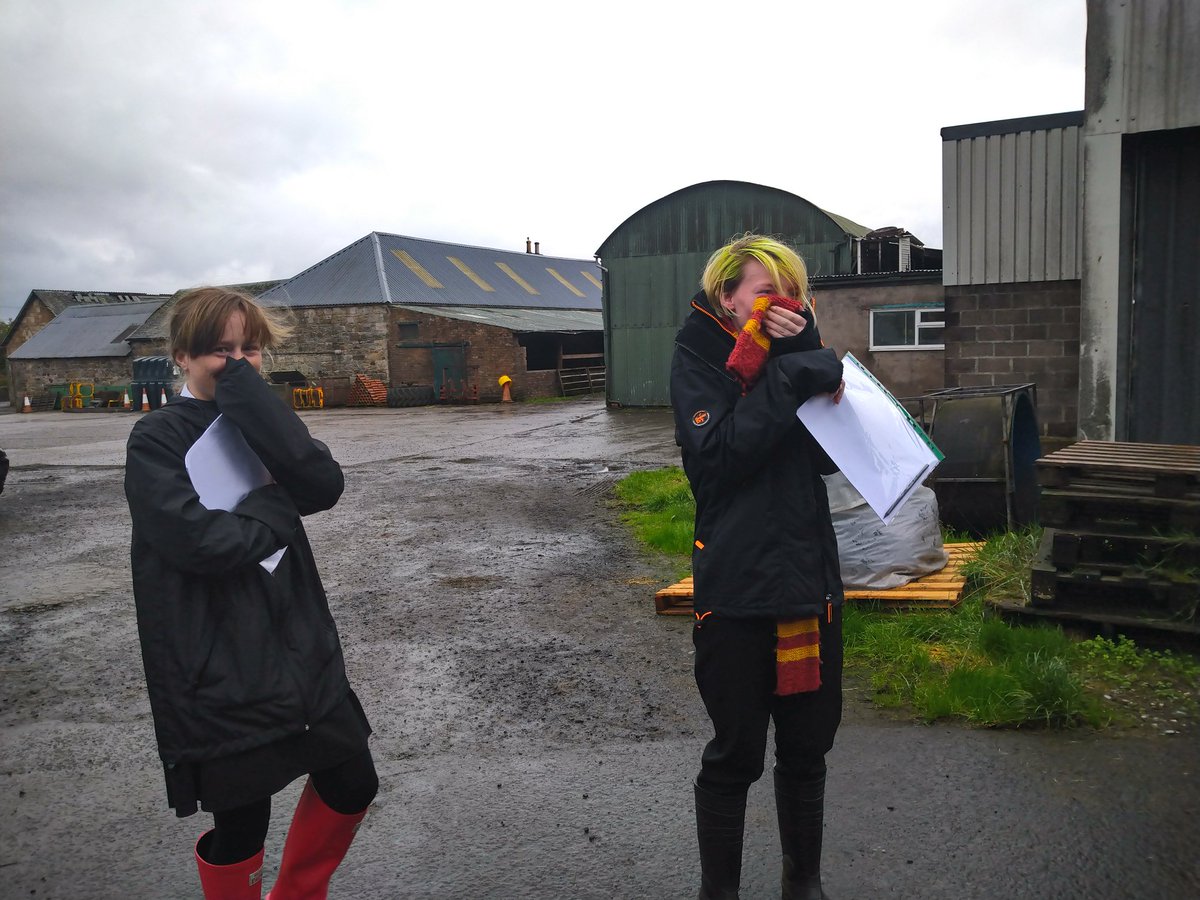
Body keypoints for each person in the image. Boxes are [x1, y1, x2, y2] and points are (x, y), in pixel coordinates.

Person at [124, 287, 378, 899]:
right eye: (220, 351)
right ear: (181, 357)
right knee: (243, 822)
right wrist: (272, 505)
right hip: (219, 658)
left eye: (250, 350)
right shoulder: (156, 438)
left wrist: (258, 412)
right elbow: (203, 544)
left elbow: (321, 486)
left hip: (299, 642)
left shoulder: (260, 422)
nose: (239, 363)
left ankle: (298, 894)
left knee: (353, 781)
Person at [670, 235, 846, 900]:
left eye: (794, 293)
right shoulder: (698, 359)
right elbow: (718, 459)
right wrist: (793, 375)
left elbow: (831, 458)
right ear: (727, 297)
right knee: (735, 755)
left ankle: (804, 883)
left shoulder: (802, 353)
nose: (786, 305)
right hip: (737, 593)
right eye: (768, 290)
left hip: (810, 587)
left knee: (807, 750)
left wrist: (805, 358)